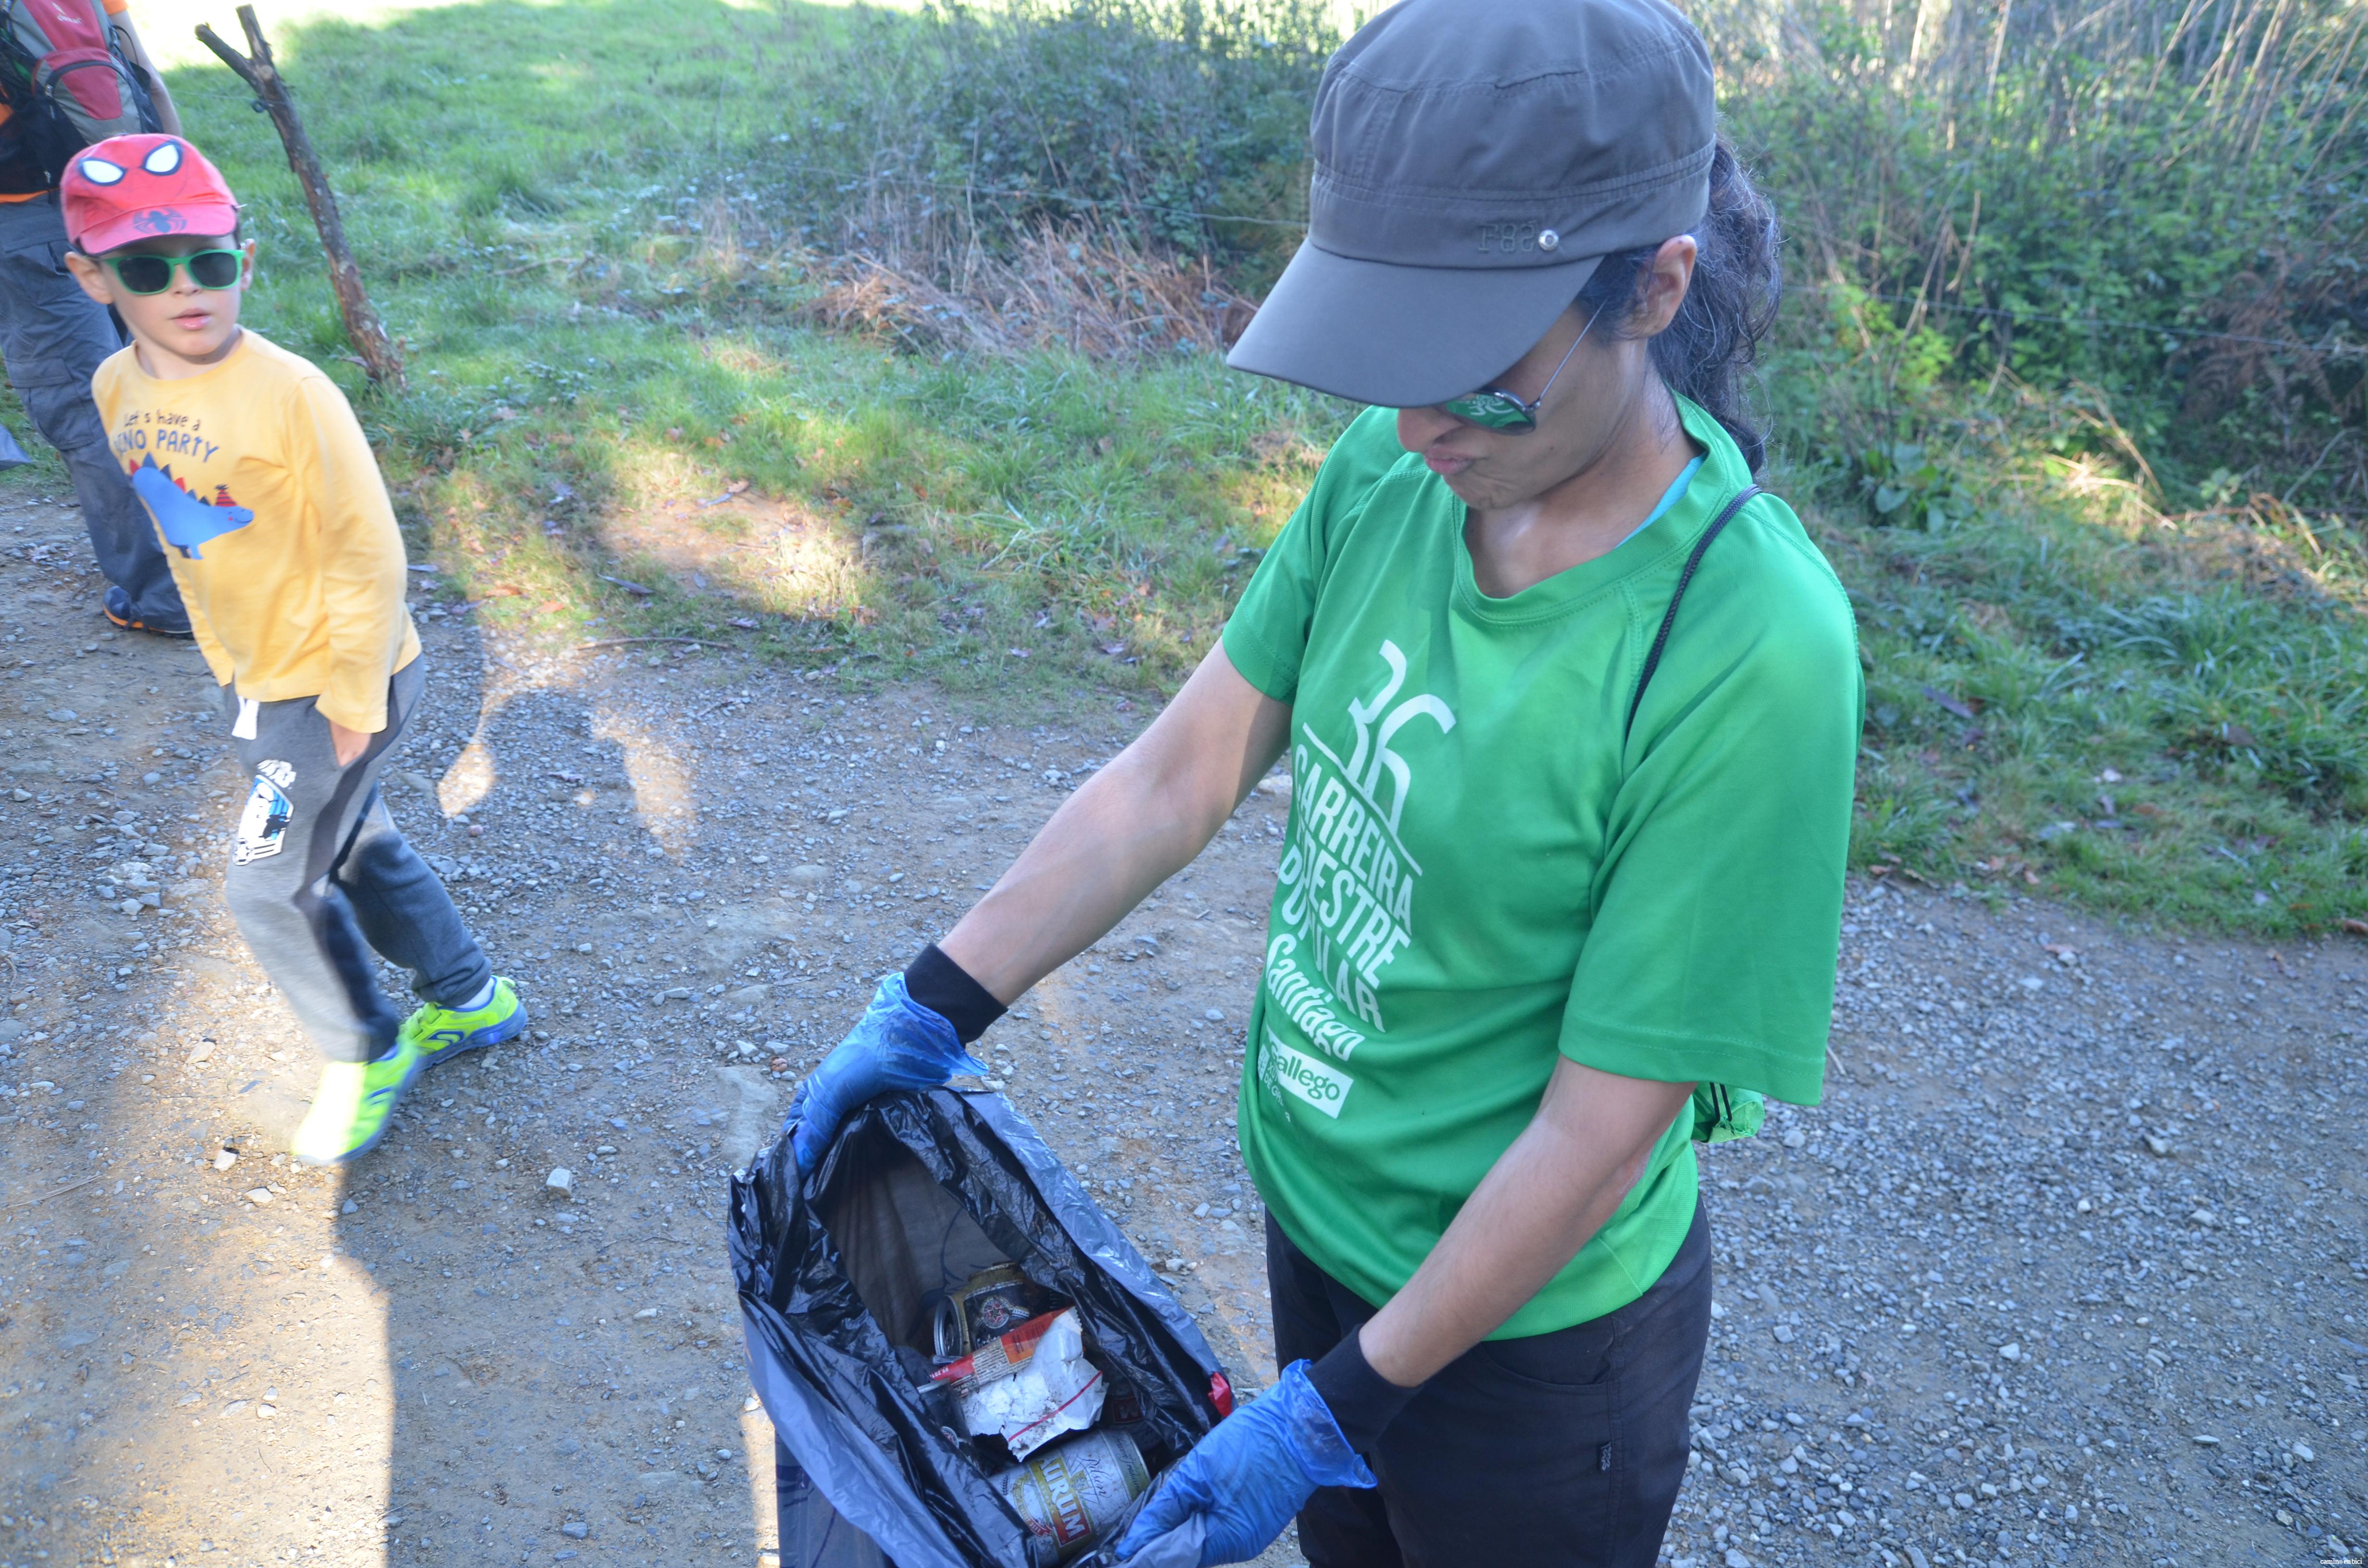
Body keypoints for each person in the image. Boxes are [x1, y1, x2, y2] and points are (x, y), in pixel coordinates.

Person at [788, 0, 1862, 1563]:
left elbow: (1595, 1132)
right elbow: (1182, 768)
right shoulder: (1395, 468)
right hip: (1320, 1242)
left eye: (1476, 378)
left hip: (1532, 1352)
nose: (1418, 426)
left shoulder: (1744, 648)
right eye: (1389, 365)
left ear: (1652, 288)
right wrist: (931, 1002)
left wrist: (1333, 1408)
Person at [62, 132, 525, 1164]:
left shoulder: (293, 394)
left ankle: (366, 1051)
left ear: (246, 260)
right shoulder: (114, 387)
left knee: (266, 885)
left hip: (335, 684)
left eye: (211, 261)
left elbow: (371, 556)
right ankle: (472, 997)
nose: (189, 290)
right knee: (355, 841)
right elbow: (181, 539)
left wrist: (353, 703)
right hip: (256, 677)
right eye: (147, 268)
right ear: (92, 277)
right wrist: (228, 666)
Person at [0, 0, 191, 636]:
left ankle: (169, 597)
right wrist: (180, 195)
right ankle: (219, 554)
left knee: (85, 405)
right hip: (121, 197)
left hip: (27, 223)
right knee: (155, 378)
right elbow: (147, 79)